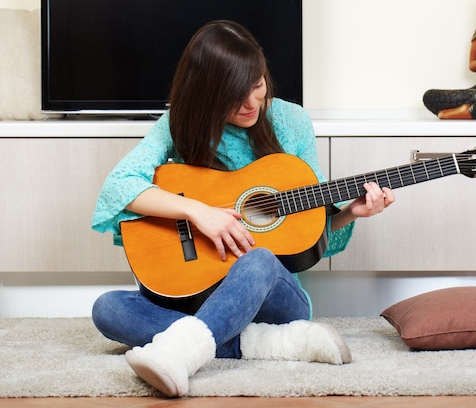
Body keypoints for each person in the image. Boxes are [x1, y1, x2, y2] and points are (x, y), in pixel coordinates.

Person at [90, 20, 395, 398]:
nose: (252, 104)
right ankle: (262, 344)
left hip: (273, 297)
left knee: (260, 257)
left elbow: (309, 234)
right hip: (194, 292)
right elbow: (119, 186)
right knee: (108, 308)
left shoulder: (291, 122)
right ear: (205, 94)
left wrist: (350, 213)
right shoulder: (178, 124)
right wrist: (198, 212)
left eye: (257, 86)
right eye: (235, 95)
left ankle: (181, 351)